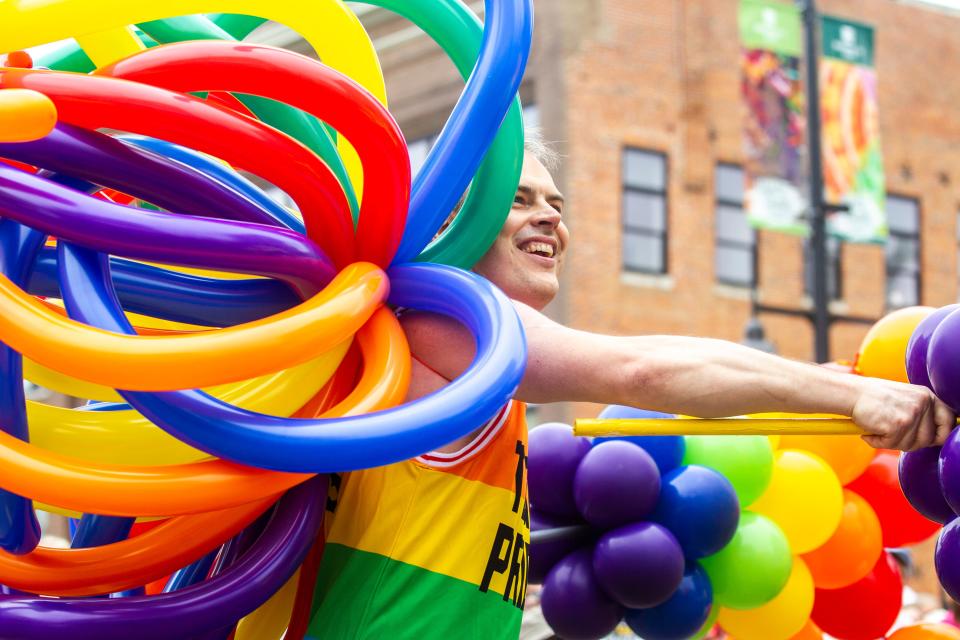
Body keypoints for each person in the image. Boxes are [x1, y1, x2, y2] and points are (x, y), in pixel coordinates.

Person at [306, 137, 955, 640]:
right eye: (522, 199)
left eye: (557, 207)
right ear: (457, 214)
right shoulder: (440, 323)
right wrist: (853, 396)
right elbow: (643, 369)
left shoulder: (463, 362)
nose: (551, 222)